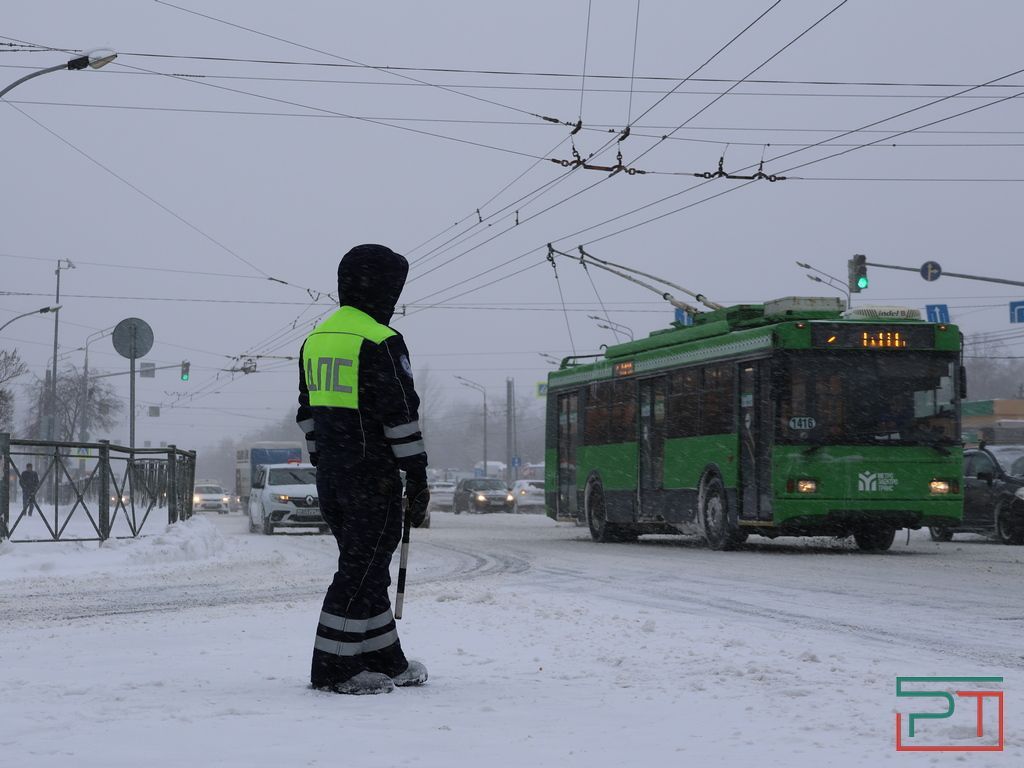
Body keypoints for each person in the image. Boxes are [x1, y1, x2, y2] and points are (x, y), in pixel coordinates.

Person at [296, 244, 430, 696]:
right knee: (361, 571)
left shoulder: (316, 339)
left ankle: (383, 658)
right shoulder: (380, 340)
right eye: (394, 287)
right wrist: (417, 474)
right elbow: (400, 415)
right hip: (373, 477)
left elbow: (308, 415)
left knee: (368, 569)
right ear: (380, 287)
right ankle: (332, 667)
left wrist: (327, 463)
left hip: (334, 476)